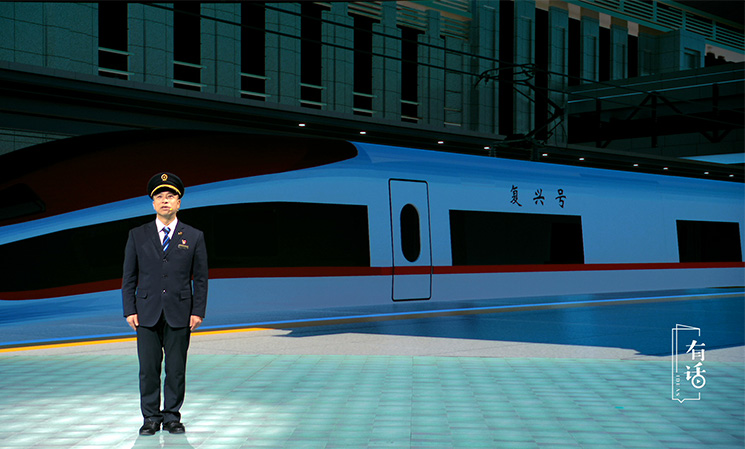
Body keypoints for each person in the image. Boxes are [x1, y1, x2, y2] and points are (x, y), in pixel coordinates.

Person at [122, 172, 208, 435]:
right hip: (146, 312)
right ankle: (150, 418)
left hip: (180, 312)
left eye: (170, 196)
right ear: (153, 203)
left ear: (179, 203)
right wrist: (129, 309)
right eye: (159, 196)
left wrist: (198, 311)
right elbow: (129, 276)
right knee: (148, 370)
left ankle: (172, 417)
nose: (165, 200)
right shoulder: (137, 235)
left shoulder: (194, 236)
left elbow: (201, 278)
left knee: (176, 369)